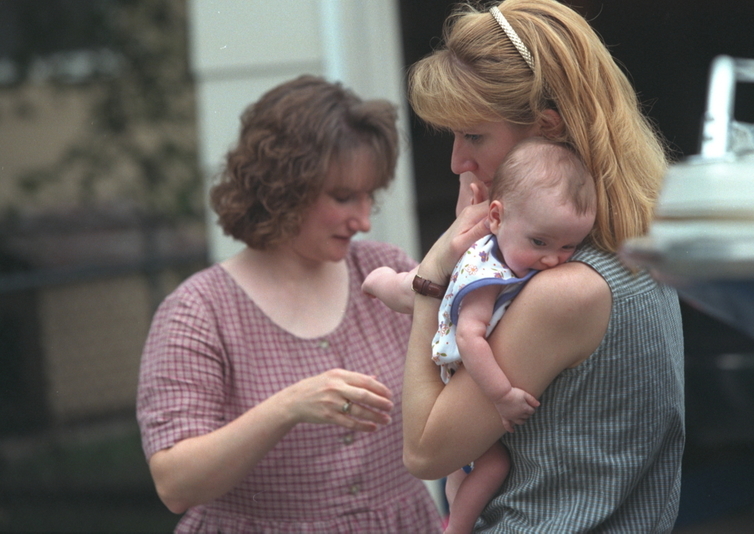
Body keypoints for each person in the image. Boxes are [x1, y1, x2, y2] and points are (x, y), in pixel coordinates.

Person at [400, 1, 685, 532]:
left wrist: (431, 279)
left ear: (546, 129)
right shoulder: (632, 254)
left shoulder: (566, 292)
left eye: (474, 136)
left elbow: (424, 451)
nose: (457, 161)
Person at [136, 75, 442, 533]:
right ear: (284, 186)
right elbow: (175, 483)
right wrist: (289, 406)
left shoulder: (387, 274)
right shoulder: (198, 312)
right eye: (343, 197)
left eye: (369, 197)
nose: (362, 219)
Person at [367, 137, 596, 534]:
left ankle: (385, 281)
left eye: (568, 246)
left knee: (464, 466)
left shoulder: (515, 247)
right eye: (540, 242)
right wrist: (501, 396)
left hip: (456, 325)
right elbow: (472, 337)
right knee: (493, 465)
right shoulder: (488, 276)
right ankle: (456, 528)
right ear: (496, 216)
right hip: (455, 361)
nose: (551, 258)